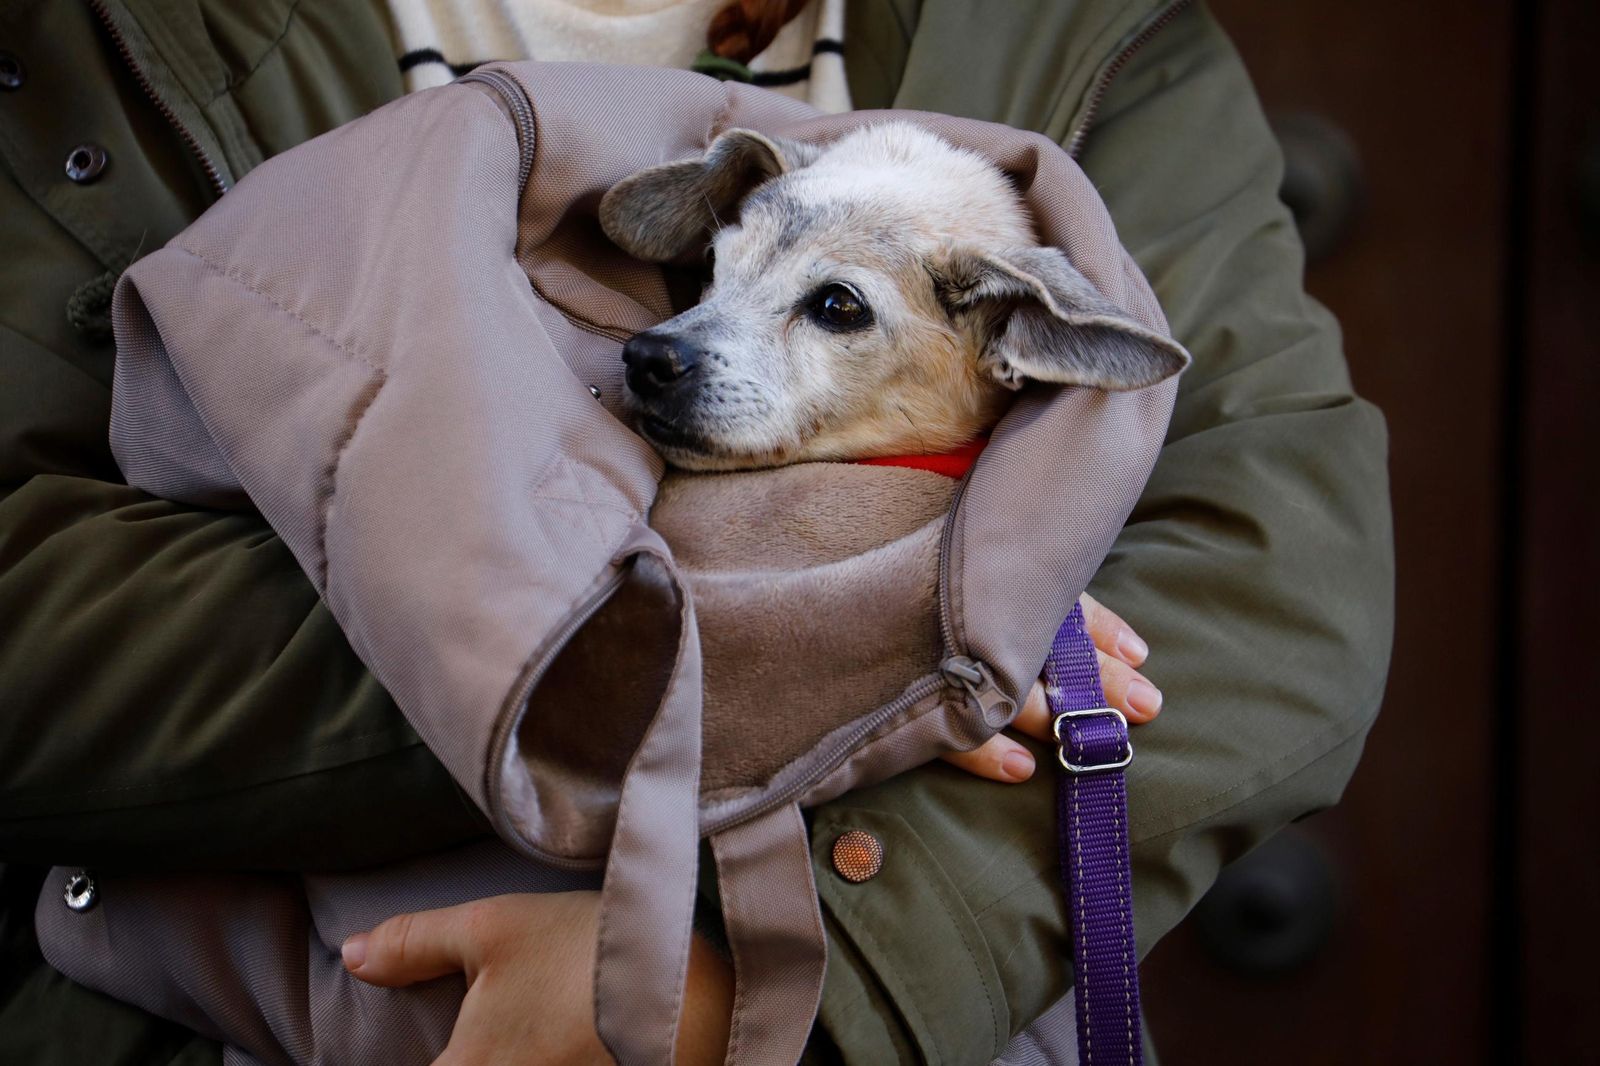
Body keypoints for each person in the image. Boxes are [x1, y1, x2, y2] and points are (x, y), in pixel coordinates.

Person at [0, 1, 1393, 1063]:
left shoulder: (1099, 37)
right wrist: (840, 645)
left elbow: (1271, 581)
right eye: (721, 275)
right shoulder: (85, 32)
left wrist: (773, 984)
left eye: (831, 308)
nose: (671, 351)